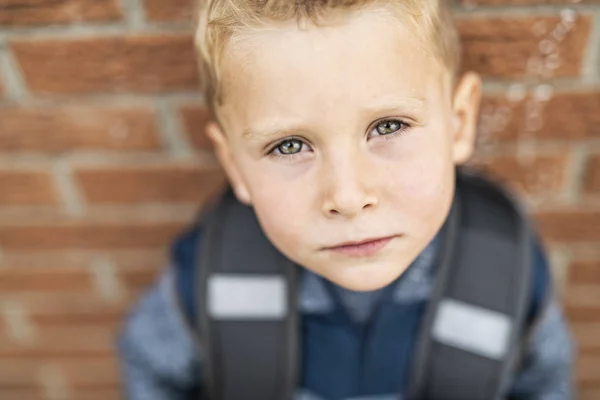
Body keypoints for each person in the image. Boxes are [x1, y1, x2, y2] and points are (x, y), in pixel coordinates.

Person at [117, 1, 574, 399]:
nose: (349, 197)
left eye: (389, 127)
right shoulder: (209, 275)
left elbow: (544, 382)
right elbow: (150, 365)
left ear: (458, 123)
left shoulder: (506, 272)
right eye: (290, 145)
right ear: (233, 164)